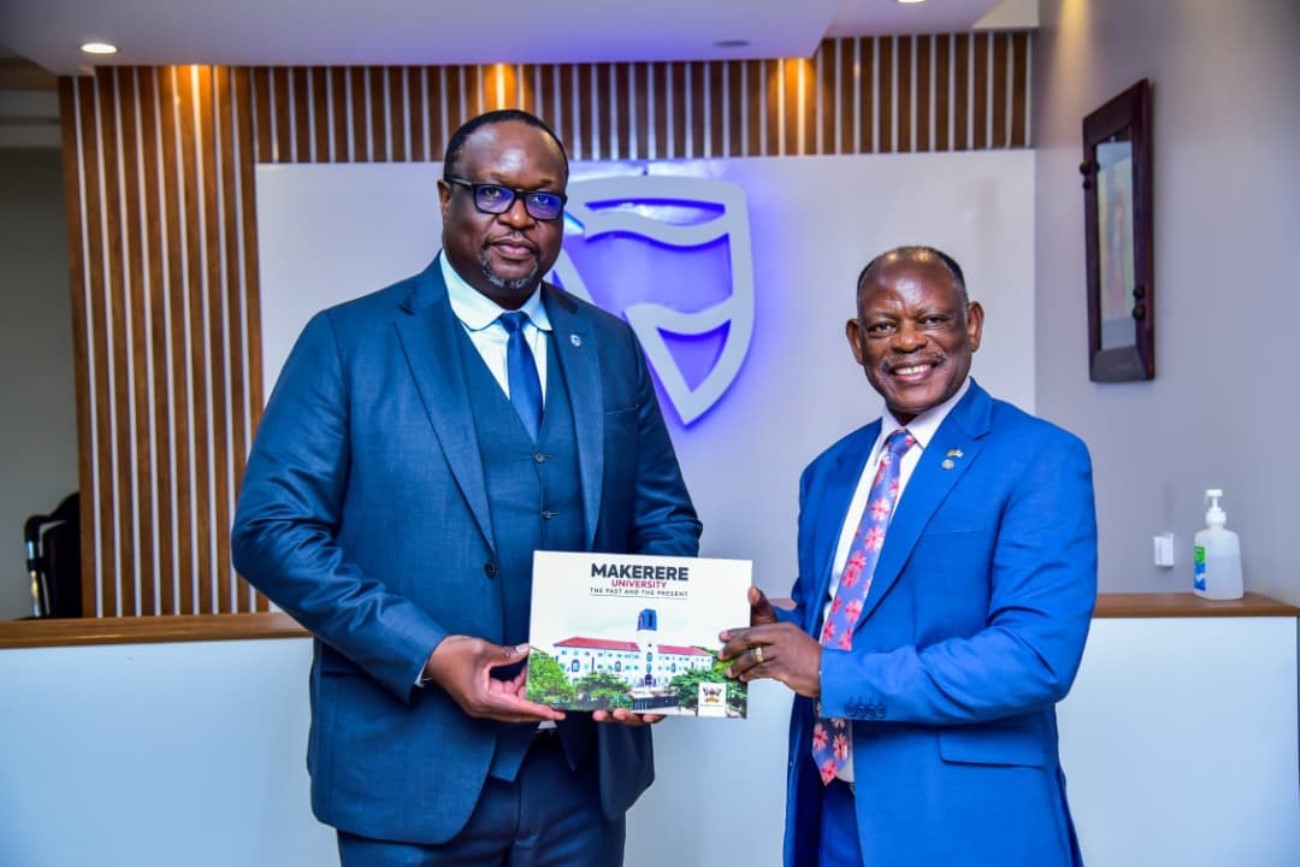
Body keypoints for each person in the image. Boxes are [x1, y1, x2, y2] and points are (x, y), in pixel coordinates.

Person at [231, 109, 701, 865]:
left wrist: (650, 658)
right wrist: (430, 650)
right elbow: (271, 533)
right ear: (445, 197)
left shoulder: (608, 343)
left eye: (542, 198)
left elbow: (666, 518)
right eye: (492, 192)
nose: (518, 217)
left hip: (580, 779)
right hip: (408, 775)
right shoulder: (347, 341)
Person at [720, 246, 1097, 866]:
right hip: (832, 816)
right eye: (883, 325)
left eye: (932, 319)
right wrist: (777, 630)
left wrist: (830, 673)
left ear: (972, 324)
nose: (907, 341)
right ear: (856, 341)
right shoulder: (830, 472)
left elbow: (1034, 659)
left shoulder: (1040, 458)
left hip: (964, 824)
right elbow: (840, 622)